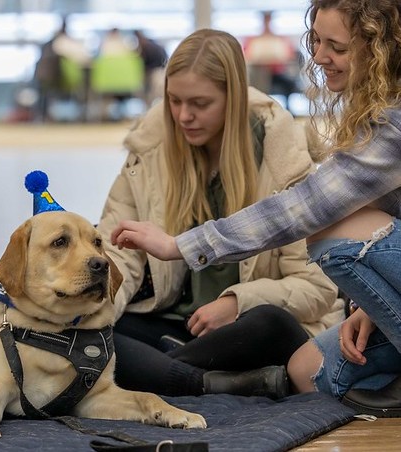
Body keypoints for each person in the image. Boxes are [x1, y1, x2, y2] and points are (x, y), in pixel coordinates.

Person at [110, 0, 401, 415]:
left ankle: (166, 378)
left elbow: (305, 217)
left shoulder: (378, 127)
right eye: (316, 41)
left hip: (251, 322)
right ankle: (191, 378)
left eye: (335, 45)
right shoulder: (147, 151)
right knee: (307, 372)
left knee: (329, 237)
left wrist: (203, 267)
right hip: (178, 327)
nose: (318, 56)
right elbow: (114, 247)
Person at [97, 29, 342, 399]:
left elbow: (317, 290)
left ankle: (158, 370)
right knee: (94, 330)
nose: (183, 115)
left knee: (268, 322)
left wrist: (235, 302)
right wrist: (94, 309)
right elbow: (120, 253)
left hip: (247, 331)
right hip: (178, 327)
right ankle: (205, 380)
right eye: (174, 101)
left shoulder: (283, 163)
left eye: (199, 103)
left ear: (235, 98)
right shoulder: (149, 151)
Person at [242, 11, 300, 106]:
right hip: (257, 75)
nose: (267, 23)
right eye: (265, 20)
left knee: (289, 84)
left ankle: (288, 110)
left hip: (277, 74)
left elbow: (290, 56)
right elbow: (246, 57)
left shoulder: (281, 39)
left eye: (269, 20)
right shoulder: (252, 40)